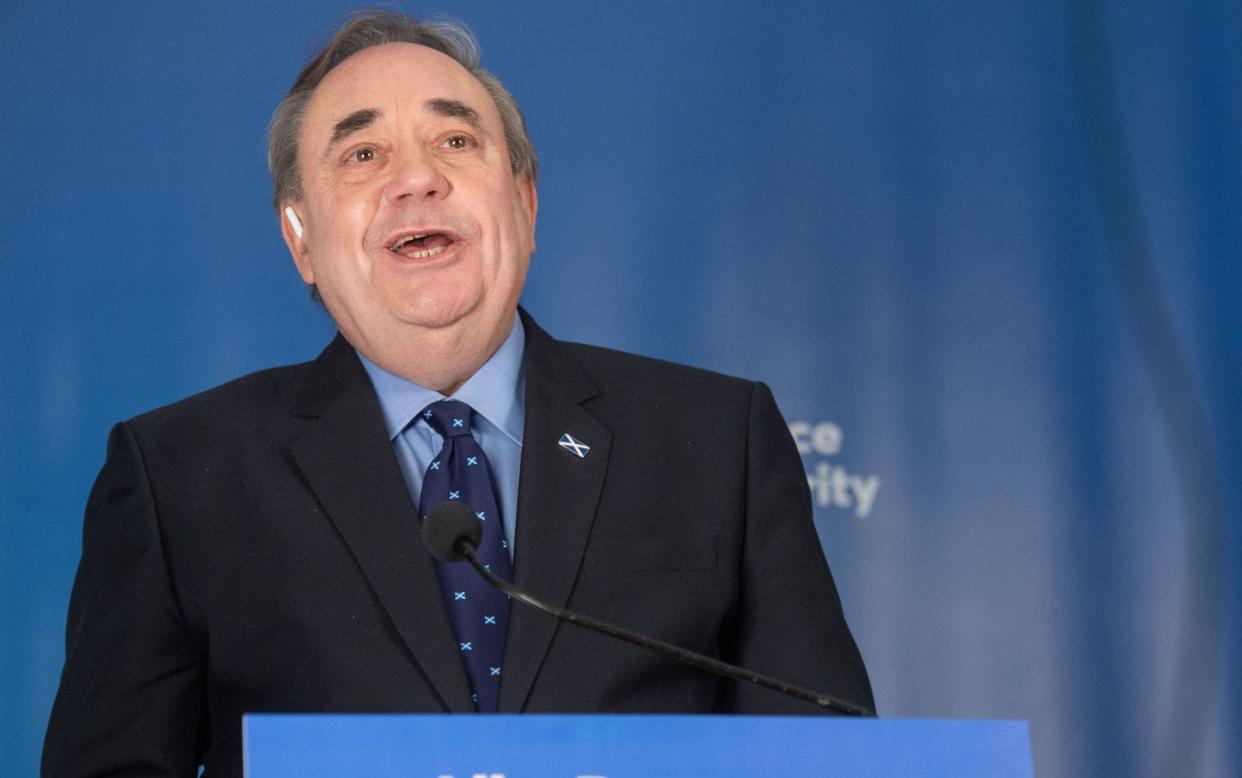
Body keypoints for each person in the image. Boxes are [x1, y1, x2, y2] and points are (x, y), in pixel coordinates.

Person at [43, 10, 873, 776]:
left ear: (526, 199)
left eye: (456, 142)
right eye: (363, 155)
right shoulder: (179, 475)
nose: (418, 181)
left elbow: (824, 756)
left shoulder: (717, 440)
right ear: (300, 237)